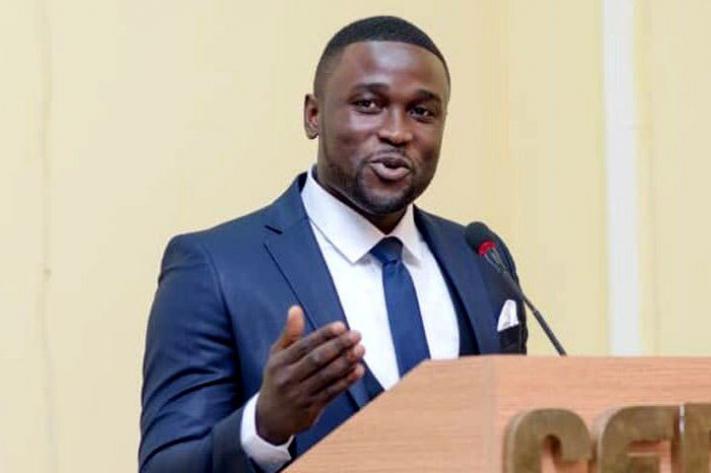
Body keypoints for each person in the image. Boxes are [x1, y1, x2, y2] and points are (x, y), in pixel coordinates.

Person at [139, 15, 527, 473]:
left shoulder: (479, 257)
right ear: (313, 115)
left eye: (422, 112)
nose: (397, 132)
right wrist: (264, 426)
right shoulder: (213, 268)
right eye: (368, 104)